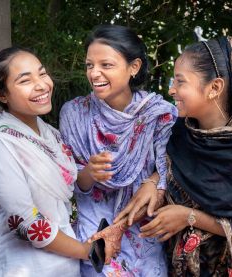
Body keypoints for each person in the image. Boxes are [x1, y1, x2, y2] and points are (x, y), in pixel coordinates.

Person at [139, 37, 232, 276]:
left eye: (181, 82)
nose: (172, 90)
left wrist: (189, 217)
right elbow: (166, 172)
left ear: (215, 88)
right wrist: (153, 182)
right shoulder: (177, 134)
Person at [0, 47, 91, 277]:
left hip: (66, 265)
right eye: (25, 80)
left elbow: (67, 191)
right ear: (2, 95)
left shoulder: (51, 135)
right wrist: (85, 251)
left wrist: (92, 172)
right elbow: (27, 223)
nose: (41, 85)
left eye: (42, 73)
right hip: (23, 267)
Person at [59, 25, 177, 276]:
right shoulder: (75, 114)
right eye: (90, 65)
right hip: (97, 233)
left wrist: (154, 181)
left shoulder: (157, 113)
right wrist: (89, 172)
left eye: (106, 65)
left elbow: (171, 165)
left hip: (144, 230)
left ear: (133, 67)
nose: (95, 73)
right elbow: (73, 183)